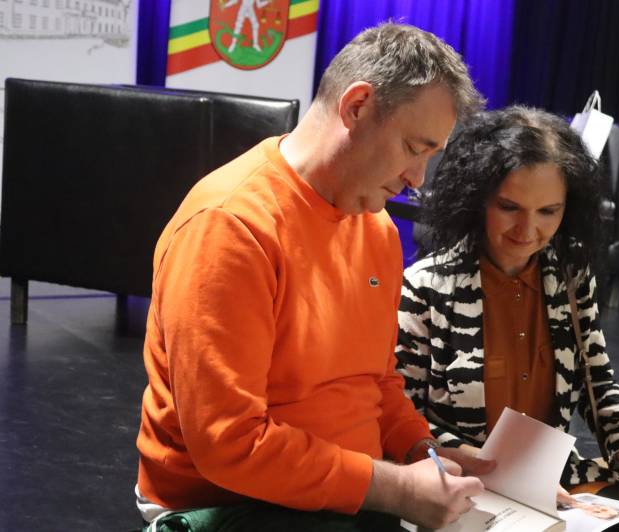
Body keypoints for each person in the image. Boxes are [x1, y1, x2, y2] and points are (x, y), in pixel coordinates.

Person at [135, 22, 495, 532]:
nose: (417, 179)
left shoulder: (376, 229)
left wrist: (426, 452)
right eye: (414, 148)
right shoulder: (231, 227)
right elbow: (229, 444)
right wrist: (396, 488)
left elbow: (376, 384)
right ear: (357, 107)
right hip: (230, 507)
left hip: (347, 495)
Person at [396, 107, 619, 529]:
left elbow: (597, 384)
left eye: (549, 211)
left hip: (556, 489)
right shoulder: (424, 287)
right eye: (510, 207)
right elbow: (404, 421)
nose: (527, 230)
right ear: (478, 198)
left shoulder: (570, 275)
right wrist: (506, 475)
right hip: (463, 491)